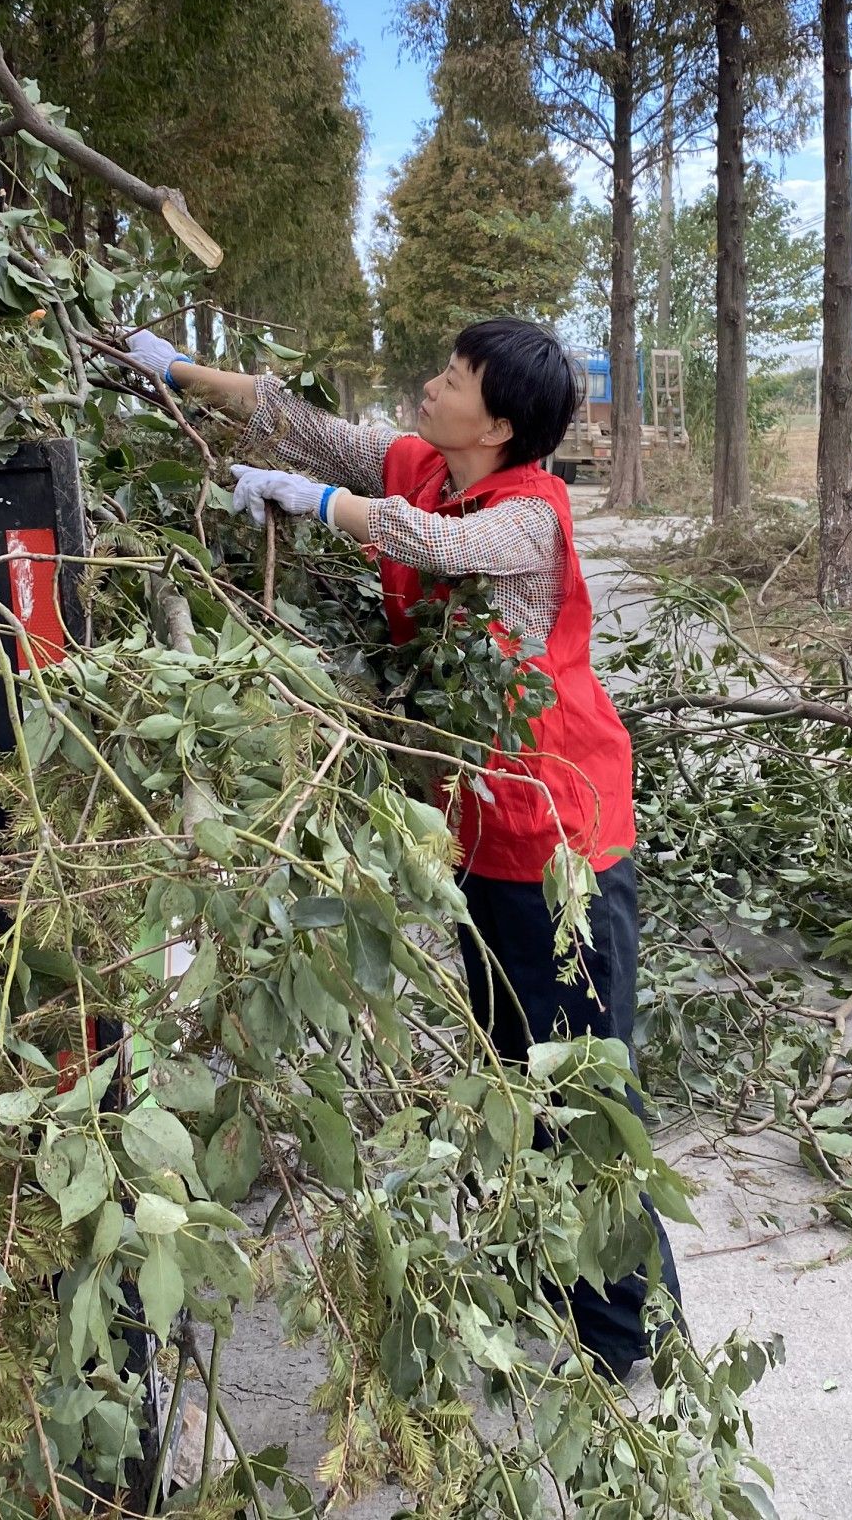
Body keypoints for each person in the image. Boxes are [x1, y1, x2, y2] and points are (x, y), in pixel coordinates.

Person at [119, 316, 681, 1378]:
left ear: (499, 424)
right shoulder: (421, 464)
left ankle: (627, 1332)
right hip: (481, 832)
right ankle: (552, 1290)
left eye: (456, 379)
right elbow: (302, 424)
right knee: (514, 1073)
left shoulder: (529, 516)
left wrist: (318, 505)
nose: (433, 387)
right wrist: (176, 370)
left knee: (585, 1089)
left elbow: (438, 546)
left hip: (565, 841)